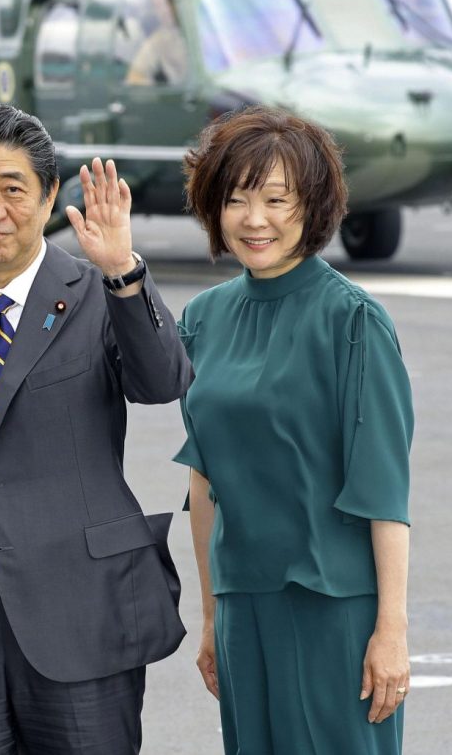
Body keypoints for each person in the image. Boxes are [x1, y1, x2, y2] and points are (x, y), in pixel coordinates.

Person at [0, 101, 191, 754]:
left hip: (81, 611)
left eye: (13, 188)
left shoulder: (96, 292)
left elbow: (162, 382)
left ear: (49, 195)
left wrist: (124, 273)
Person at [176, 107, 413, 754]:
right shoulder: (203, 318)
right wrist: (209, 614)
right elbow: (203, 482)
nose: (256, 219)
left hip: (334, 606)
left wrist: (391, 627)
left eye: (277, 199)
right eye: (237, 199)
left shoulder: (354, 321)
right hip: (241, 605)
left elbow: (384, 492)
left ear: (314, 206)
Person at [125, 0, 188, 86]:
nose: (164, 11)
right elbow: (134, 79)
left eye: (167, 4)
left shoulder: (200, 28)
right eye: (158, 6)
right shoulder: (157, 41)